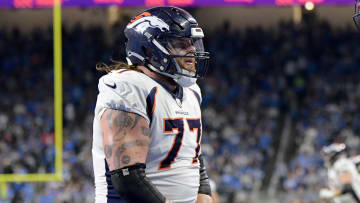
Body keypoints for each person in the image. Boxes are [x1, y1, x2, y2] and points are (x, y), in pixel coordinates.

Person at [92, 6, 212, 203]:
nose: (192, 50)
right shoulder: (128, 88)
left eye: (192, 43)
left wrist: (204, 193)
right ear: (150, 49)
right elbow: (129, 180)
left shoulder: (191, 91)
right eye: (181, 44)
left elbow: (191, 154)